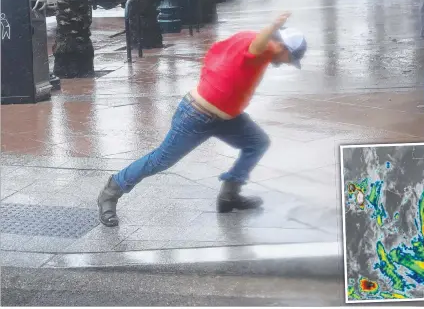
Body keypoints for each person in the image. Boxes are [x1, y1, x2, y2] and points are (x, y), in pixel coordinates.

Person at [97, 13, 307, 226]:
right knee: (160, 160)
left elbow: (216, 53)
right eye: (291, 59)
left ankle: (229, 195)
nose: (289, 64)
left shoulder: (249, 39)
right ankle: (111, 191)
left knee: (257, 142)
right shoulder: (264, 47)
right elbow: (256, 46)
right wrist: (273, 26)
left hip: (226, 117)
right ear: (284, 48)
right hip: (197, 116)